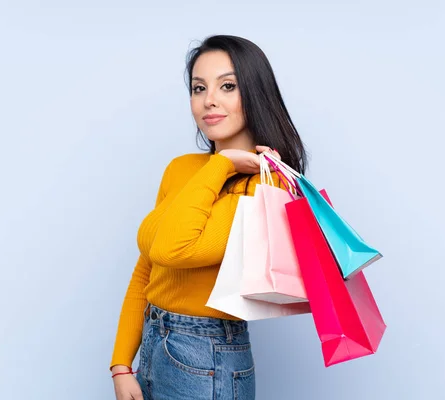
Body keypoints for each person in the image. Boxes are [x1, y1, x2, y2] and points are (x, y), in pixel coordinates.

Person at [110, 34, 308, 400]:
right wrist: (122, 363)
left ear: (256, 93)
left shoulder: (267, 186)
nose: (209, 100)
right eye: (199, 88)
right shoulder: (181, 169)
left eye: (227, 86)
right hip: (153, 346)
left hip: (209, 356)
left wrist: (222, 165)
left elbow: (174, 250)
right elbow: (148, 270)